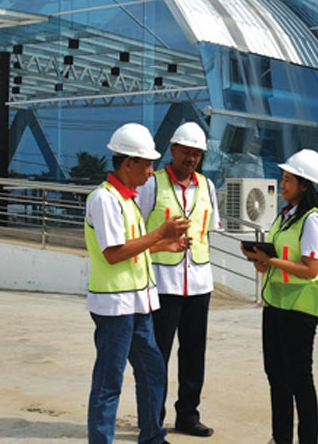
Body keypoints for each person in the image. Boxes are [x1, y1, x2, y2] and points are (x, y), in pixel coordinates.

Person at [85, 122, 192, 444]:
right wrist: (160, 233)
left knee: (153, 370)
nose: (150, 172)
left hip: (138, 304)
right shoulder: (105, 200)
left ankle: (152, 437)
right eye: (146, 164)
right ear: (127, 163)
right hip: (115, 305)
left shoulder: (127, 199)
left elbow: (132, 247)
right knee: (109, 381)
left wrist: (162, 245)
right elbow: (114, 254)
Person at [240, 149, 318, 444]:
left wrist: (271, 261)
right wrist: (261, 261)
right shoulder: (285, 217)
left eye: (288, 180)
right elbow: (280, 258)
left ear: (304, 185)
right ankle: (280, 438)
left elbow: (311, 269)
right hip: (277, 305)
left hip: (300, 309)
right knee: (277, 377)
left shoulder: (312, 221)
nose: (282, 185)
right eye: (283, 179)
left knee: (300, 380)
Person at [136, 122, 221, 438]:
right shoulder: (152, 185)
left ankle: (187, 415)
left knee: (194, 353)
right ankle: (152, 419)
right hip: (163, 283)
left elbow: (209, 229)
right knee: (157, 355)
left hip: (199, 283)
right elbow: (138, 232)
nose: (191, 158)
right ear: (172, 150)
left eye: (197, 154)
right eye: (186, 151)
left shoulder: (208, 187)